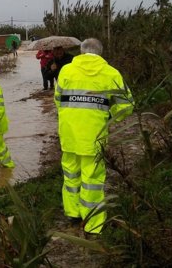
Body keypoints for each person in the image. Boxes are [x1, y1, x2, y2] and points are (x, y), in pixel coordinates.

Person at [54, 38, 134, 235]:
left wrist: (70, 117)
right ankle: (93, 225)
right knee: (92, 179)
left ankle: (73, 214)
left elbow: (58, 100)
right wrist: (109, 116)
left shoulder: (66, 71)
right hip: (94, 136)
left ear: (81, 51)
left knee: (71, 175)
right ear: (100, 53)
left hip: (69, 134)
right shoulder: (111, 73)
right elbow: (126, 105)